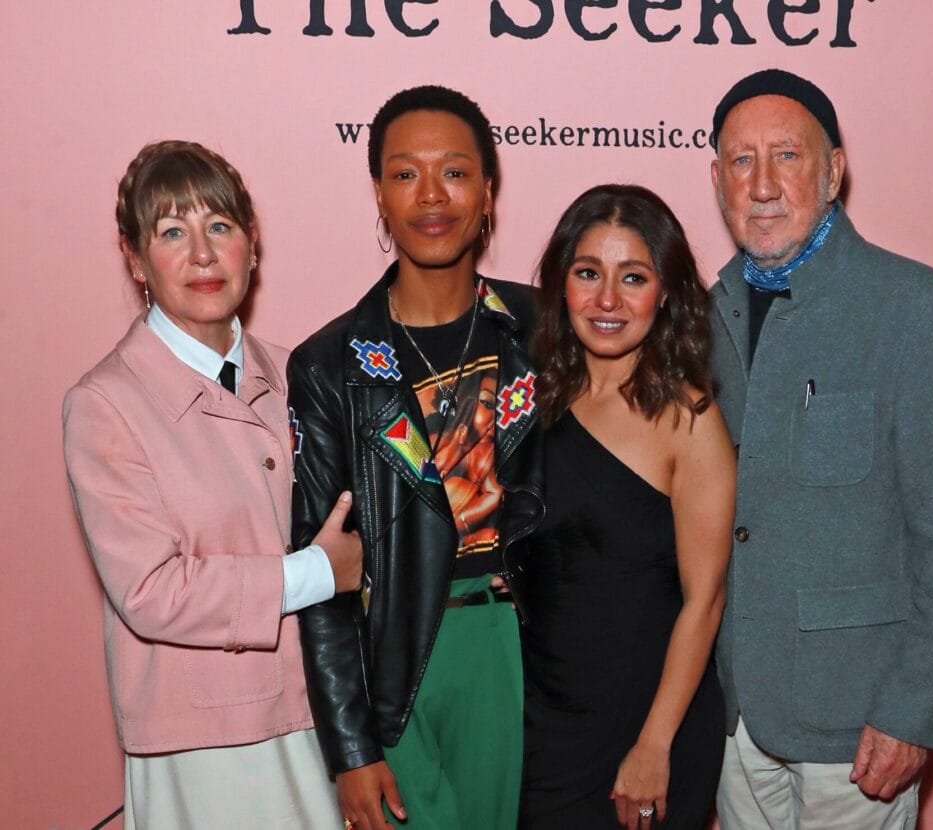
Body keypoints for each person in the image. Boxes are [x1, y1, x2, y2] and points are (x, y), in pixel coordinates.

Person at [706, 69, 933, 828]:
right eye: (741, 161)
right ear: (717, 179)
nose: (762, 183)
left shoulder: (914, 307)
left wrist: (914, 709)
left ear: (834, 170)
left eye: (787, 157)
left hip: (861, 726)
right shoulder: (706, 314)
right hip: (738, 716)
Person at [62, 140, 362, 828]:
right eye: (173, 231)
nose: (202, 253)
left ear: (252, 247)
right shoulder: (105, 404)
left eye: (219, 227)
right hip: (202, 743)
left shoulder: (303, 374)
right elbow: (151, 592)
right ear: (135, 258)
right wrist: (318, 572)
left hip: (324, 714)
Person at [288, 86, 542, 830]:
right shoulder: (331, 362)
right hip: (395, 664)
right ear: (378, 192)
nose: (432, 196)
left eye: (455, 172)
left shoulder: (543, 329)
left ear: (488, 188)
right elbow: (323, 572)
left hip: (523, 652)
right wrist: (349, 749)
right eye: (405, 174)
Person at [519, 184, 735, 829]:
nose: (607, 300)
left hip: (646, 726)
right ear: (562, 284)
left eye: (632, 277)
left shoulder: (688, 417)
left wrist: (654, 744)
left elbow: (707, 598)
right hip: (542, 719)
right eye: (588, 274)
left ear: (663, 291)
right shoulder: (531, 399)